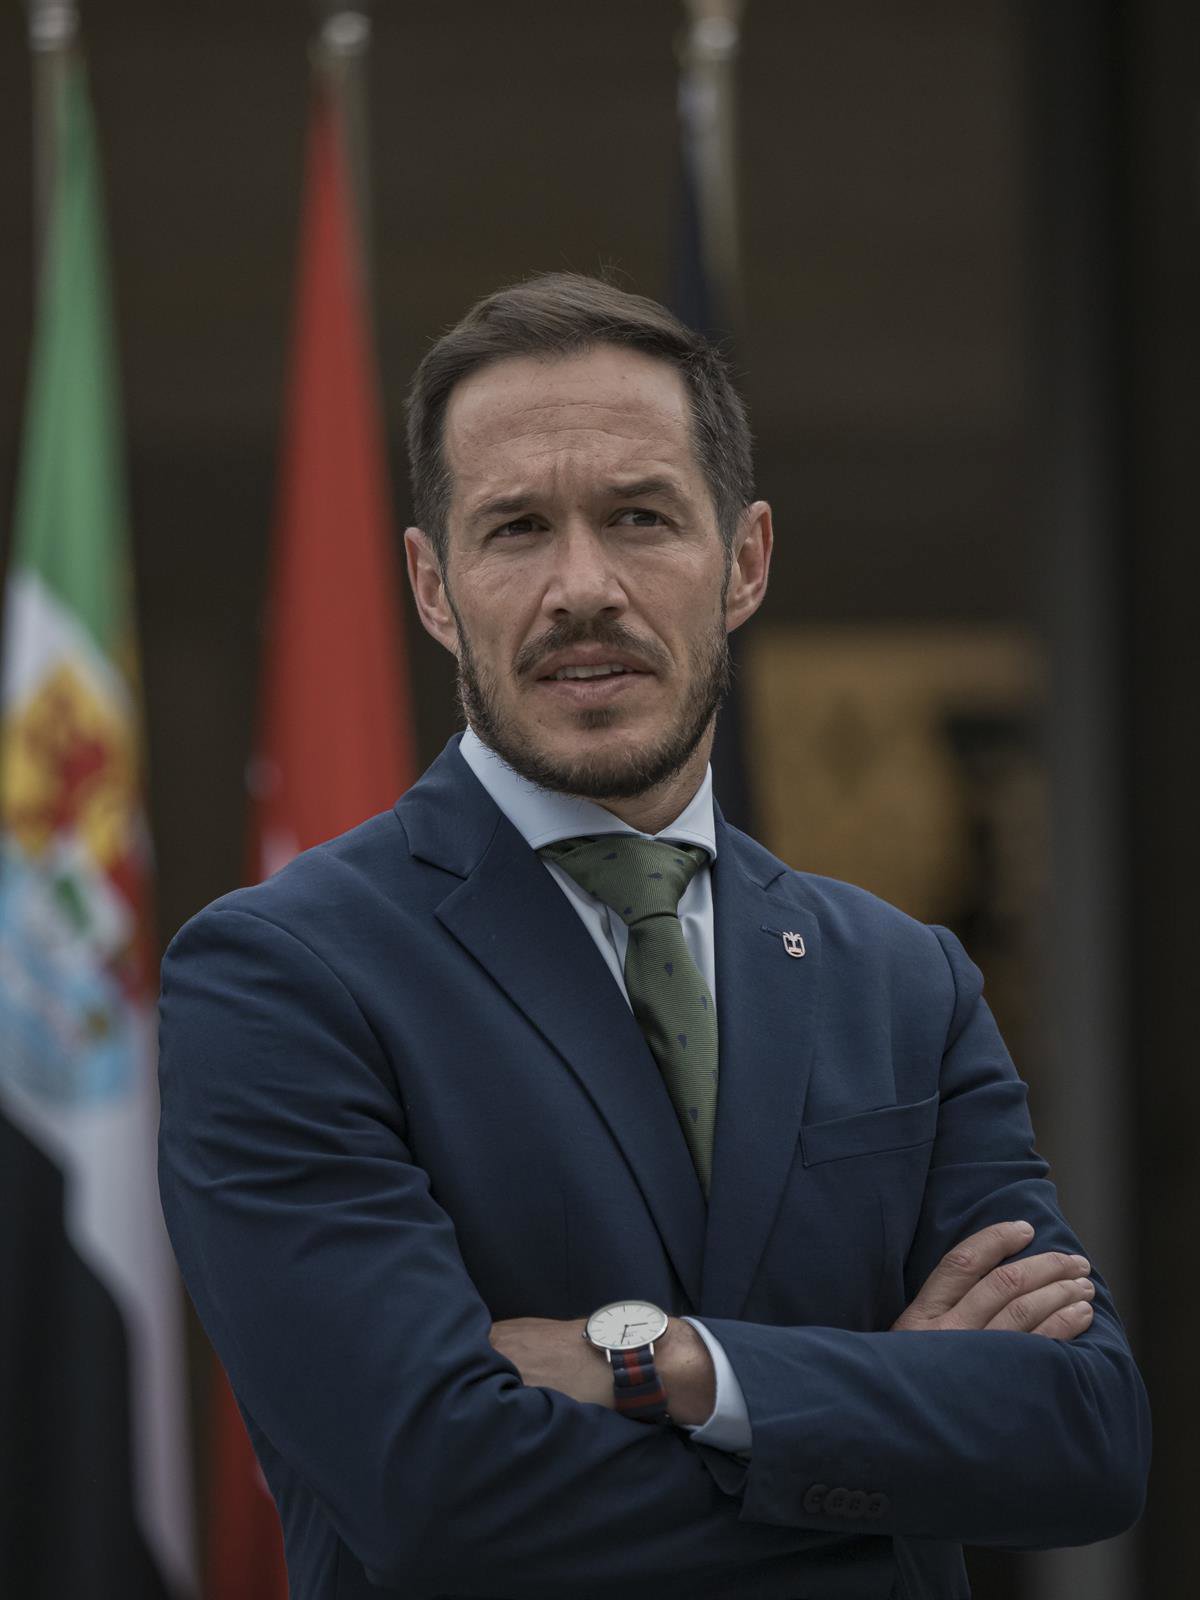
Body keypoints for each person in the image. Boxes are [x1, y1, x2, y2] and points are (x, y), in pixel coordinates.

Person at [157, 273, 1150, 1600]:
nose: (583, 587)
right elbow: (436, 1491)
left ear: (744, 562)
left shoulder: (903, 982)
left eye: (639, 516)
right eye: (517, 528)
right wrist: (894, 1426)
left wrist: (669, 1363)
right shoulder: (282, 976)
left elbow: (1084, 1437)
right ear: (434, 586)